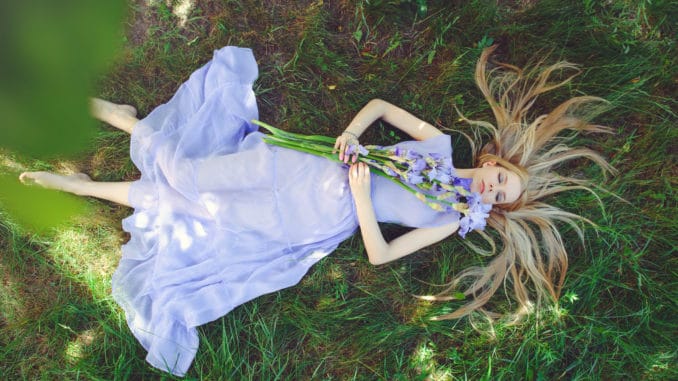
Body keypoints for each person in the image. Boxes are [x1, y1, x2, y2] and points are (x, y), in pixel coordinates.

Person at [18, 45, 613, 375]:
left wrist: (359, 194)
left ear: (493, 209)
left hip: (319, 216)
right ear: (492, 159)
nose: (490, 188)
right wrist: (351, 139)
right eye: (498, 178)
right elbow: (380, 106)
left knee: (196, 209)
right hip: (308, 168)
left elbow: (379, 254)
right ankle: (128, 120)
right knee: (196, 177)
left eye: (498, 197)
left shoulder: (446, 221)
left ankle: (84, 188)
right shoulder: (438, 147)